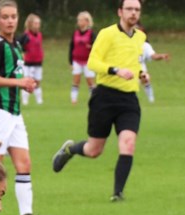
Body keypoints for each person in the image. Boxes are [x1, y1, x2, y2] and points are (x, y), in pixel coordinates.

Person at [51, 0, 147, 202]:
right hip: (104, 97)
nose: (133, 13)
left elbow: (135, 64)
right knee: (94, 150)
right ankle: (70, 149)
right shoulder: (107, 34)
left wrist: (142, 74)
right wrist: (116, 70)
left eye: (137, 9)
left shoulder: (141, 37)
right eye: (129, 9)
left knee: (128, 144)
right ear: (120, 11)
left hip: (129, 100)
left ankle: (117, 194)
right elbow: (93, 62)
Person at [0, 0, 49, 215]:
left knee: (24, 163)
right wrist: (19, 82)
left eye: (13, 16)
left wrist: (26, 84)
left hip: (14, 113)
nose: (10, 21)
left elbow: (14, 77)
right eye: (5, 17)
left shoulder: (17, 45)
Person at [68, 11, 97, 104]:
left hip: (88, 61)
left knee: (90, 81)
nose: (79, 22)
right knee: (76, 80)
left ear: (87, 22)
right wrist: (70, 61)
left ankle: (93, 99)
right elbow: (71, 47)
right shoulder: (75, 33)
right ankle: (73, 100)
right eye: (78, 20)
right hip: (77, 60)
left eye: (81, 20)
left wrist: (91, 46)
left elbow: (96, 46)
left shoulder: (91, 33)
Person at [137, 23, 170, 103]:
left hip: (140, 68)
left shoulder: (145, 45)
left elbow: (153, 56)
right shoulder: (125, 43)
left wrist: (161, 56)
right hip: (127, 68)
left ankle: (151, 100)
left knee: (146, 78)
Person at [17, 13, 44, 106]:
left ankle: (39, 101)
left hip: (38, 62)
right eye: (35, 23)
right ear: (30, 24)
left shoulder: (39, 35)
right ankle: (25, 101)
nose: (37, 26)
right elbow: (18, 46)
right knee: (27, 82)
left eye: (38, 23)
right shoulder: (26, 36)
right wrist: (23, 52)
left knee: (37, 81)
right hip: (28, 63)